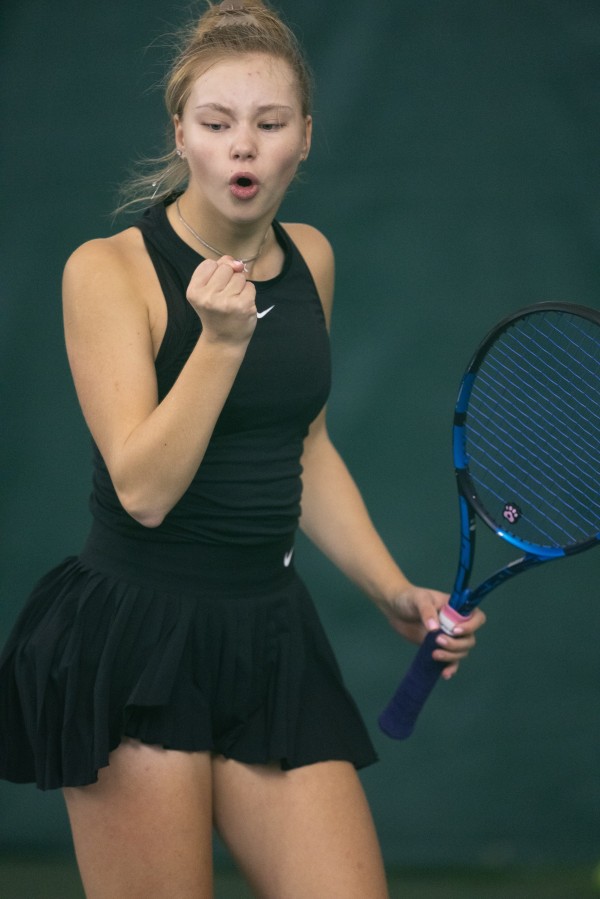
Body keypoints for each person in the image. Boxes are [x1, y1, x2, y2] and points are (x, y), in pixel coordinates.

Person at [0, 1, 486, 896]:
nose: (243, 147)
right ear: (180, 134)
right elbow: (144, 490)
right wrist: (221, 343)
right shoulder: (107, 270)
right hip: (136, 640)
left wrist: (392, 589)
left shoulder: (312, 258)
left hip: (270, 634)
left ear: (306, 137)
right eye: (218, 123)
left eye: (269, 123)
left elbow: (305, 445)